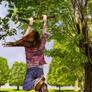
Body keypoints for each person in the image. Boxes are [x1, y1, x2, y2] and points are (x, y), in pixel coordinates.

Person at [3, 15, 50, 92]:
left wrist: (30, 24)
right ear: (38, 39)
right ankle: (43, 85)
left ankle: (37, 82)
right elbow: (45, 33)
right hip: (40, 69)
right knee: (40, 88)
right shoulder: (41, 44)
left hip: (31, 68)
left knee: (25, 87)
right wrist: (45, 21)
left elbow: (24, 37)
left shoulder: (27, 45)